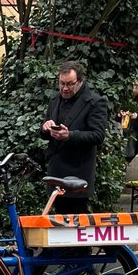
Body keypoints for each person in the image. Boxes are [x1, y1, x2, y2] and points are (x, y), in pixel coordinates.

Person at [39, 60, 108, 214]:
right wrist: (45, 128)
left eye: (70, 84)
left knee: (76, 221)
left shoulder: (95, 102)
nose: (64, 88)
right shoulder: (54, 100)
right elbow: (44, 133)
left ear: (80, 81)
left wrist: (69, 135)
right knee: (59, 220)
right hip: (56, 172)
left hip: (78, 174)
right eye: (61, 83)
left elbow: (98, 135)